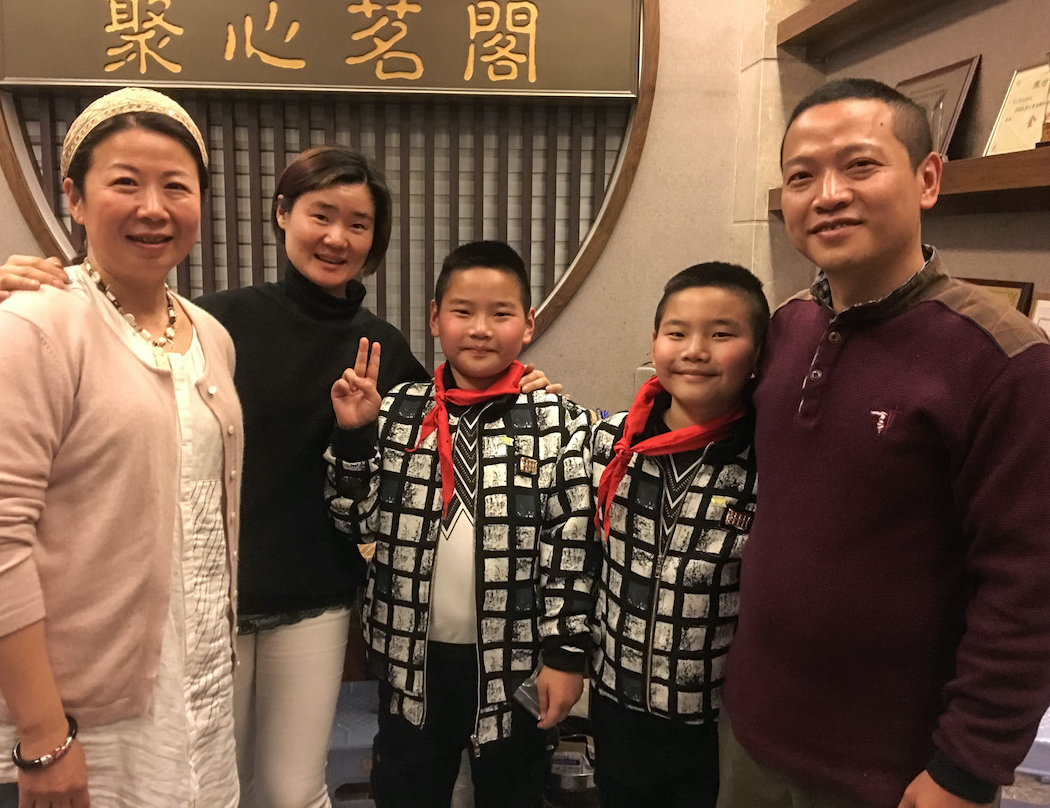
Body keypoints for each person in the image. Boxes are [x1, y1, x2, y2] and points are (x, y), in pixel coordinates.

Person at [0, 148, 559, 808]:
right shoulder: (212, 322)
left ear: (375, 242)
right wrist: (41, 284)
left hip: (314, 600)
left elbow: (431, 440)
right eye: (321, 214)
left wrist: (522, 393)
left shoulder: (386, 348)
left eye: (359, 224)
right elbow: (115, 339)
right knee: (206, 783)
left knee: (292, 790)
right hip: (205, 599)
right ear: (283, 213)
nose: (337, 238)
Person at [718, 78, 1050, 808]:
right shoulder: (787, 327)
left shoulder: (1004, 361)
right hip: (751, 734)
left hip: (895, 771)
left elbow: (1028, 587)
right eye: (801, 176)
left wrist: (965, 769)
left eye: (860, 165)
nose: (827, 194)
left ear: (928, 179)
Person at [0, 87, 244, 807]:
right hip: (77, 719)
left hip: (194, 700)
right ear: (76, 197)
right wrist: (43, 734)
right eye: (125, 182)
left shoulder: (210, 337)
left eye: (176, 186)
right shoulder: (32, 326)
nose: (154, 207)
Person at [324, 240, 596, 808]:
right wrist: (353, 436)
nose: (479, 328)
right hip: (410, 664)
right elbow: (355, 520)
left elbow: (572, 550)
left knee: (512, 792)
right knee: (406, 790)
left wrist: (567, 656)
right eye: (463, 311)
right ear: (434, 317)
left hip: (515, 661)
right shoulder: (398, 411)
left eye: (500, 314)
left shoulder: (559, 423)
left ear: (528, 323)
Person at [588, 262, 765, 808]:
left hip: (714, 720)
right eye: (677, 332)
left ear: (759, 353)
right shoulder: (607, 441)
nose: (695, 350)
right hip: (614, 698)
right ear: (655, 340)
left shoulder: (769, 462)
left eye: (722, 334)